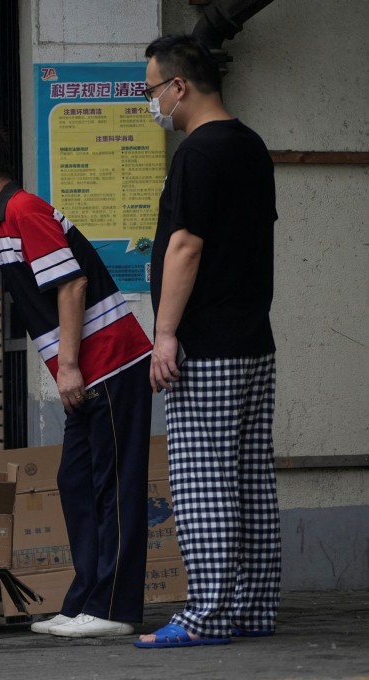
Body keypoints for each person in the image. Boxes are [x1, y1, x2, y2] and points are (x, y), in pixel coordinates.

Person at [0, 121, 153, 638]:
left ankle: (115, 610)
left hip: (110, 365)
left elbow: (72, 285)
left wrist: (71, 366)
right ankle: (85, 602)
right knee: (75, 482)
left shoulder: (23, 210)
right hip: (85, 370)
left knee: (113, 488)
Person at [135, 34, 280, 649]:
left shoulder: (198, 153)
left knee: (202, 483)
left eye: (151, 89)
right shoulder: (251, 145)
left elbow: (186, 245)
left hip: (207, 345)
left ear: (179, 86)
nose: (151, 101)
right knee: (248, 479)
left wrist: (165, 333)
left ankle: (208, 615)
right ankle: (251, 608)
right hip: (253, 340)